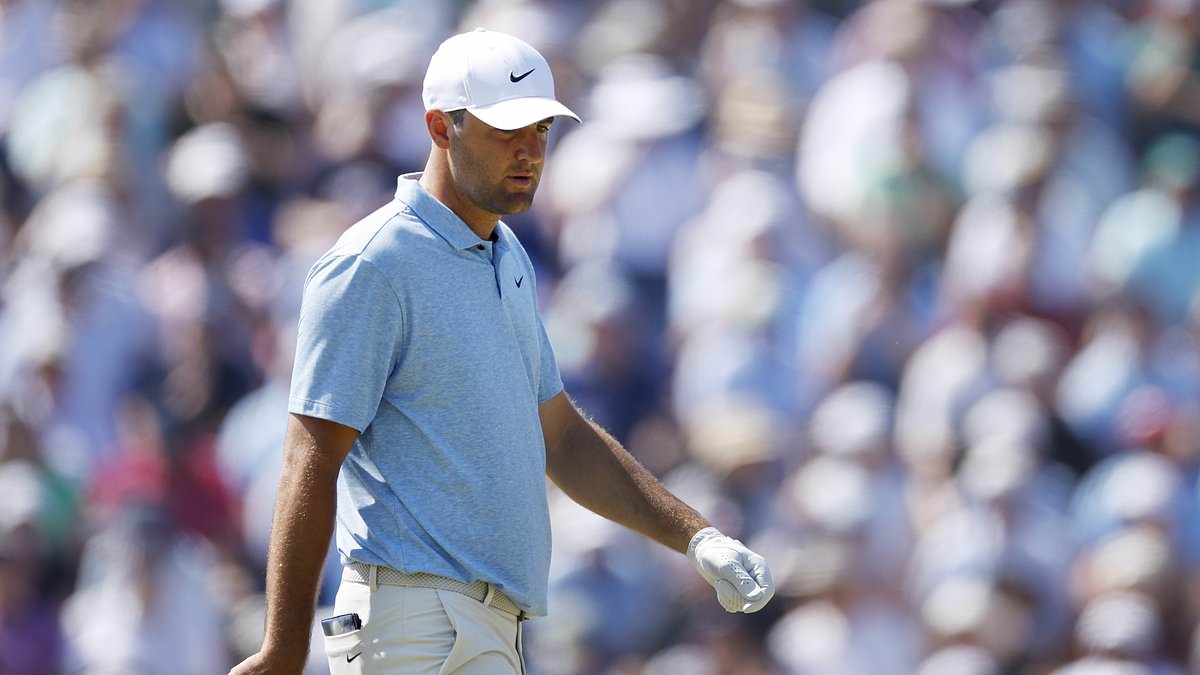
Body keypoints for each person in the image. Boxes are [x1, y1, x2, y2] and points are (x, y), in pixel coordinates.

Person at [229, 28, 774, 675]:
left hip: (487, 626)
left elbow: (562, 437)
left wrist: (696, 535)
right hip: (410, 625)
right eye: (505, 131)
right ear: (440, 127)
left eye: (541, 130)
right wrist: (285, 647)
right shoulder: (373, 263)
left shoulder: (507, 254)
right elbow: (310, 456)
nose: (530, 152)